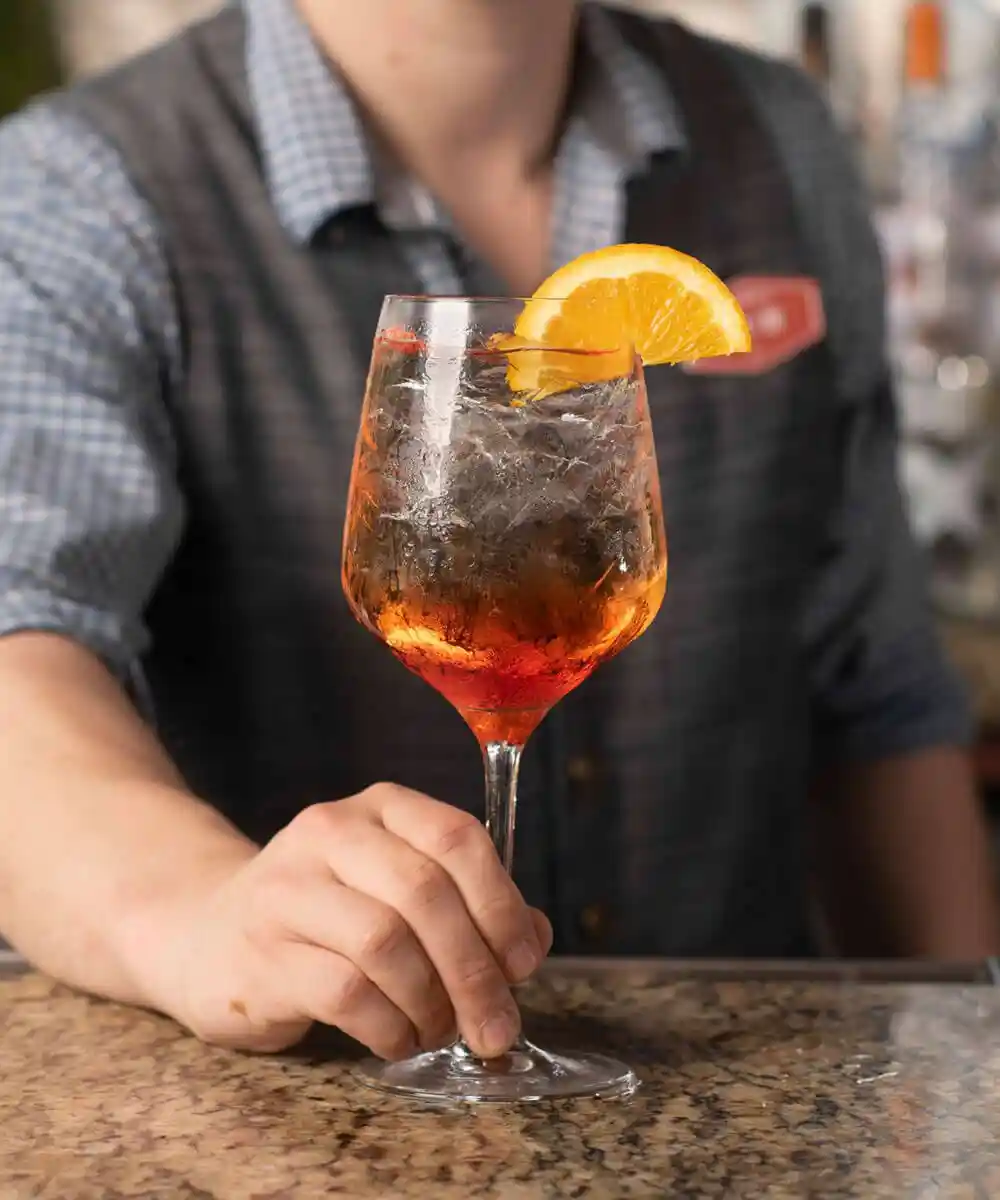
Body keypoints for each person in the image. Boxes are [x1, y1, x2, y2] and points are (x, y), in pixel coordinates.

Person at [0, 0, 997, 1064]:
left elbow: (877, 693)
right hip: (320, 1107)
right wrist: (199, 910)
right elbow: (24, 639)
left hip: (737, 1090)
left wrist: (967, 1079)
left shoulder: (779, 136)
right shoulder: (81, 191)